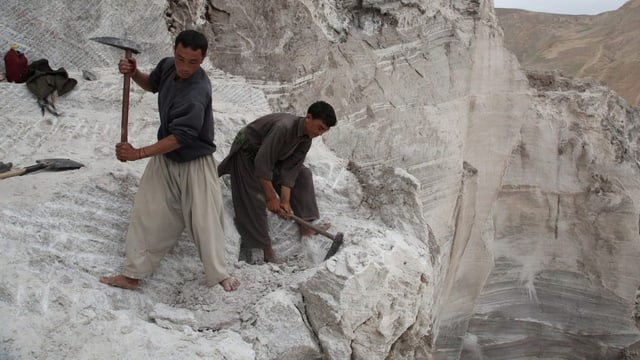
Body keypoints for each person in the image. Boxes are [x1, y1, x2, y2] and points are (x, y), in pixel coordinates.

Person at [100, 30, 240, 292]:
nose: (185, 67)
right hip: (165, 158)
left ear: (203, 59)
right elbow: (152, 84)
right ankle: (133, 274)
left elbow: (182, 137)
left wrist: (138, 153)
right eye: (180, 58)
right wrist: (133, 73)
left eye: (193, 62)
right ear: (174, 51)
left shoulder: (197, 91)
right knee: (147, 212)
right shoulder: (167, 66)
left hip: (195, 161)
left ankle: (220, 274)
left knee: (205, 220)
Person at [218, 101, 337, 263]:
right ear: (308, 117)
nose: (320, 133)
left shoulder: (306, 139)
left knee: (304, 175)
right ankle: (266, 249)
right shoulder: (284, 127)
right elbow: (262, 162)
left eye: (324, 130)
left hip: (273, 156)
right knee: (254, 196)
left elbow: (291, 170)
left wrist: (285, 201)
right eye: (320, 127)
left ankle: (306, 228)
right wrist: (271, 198)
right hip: (248, 152)